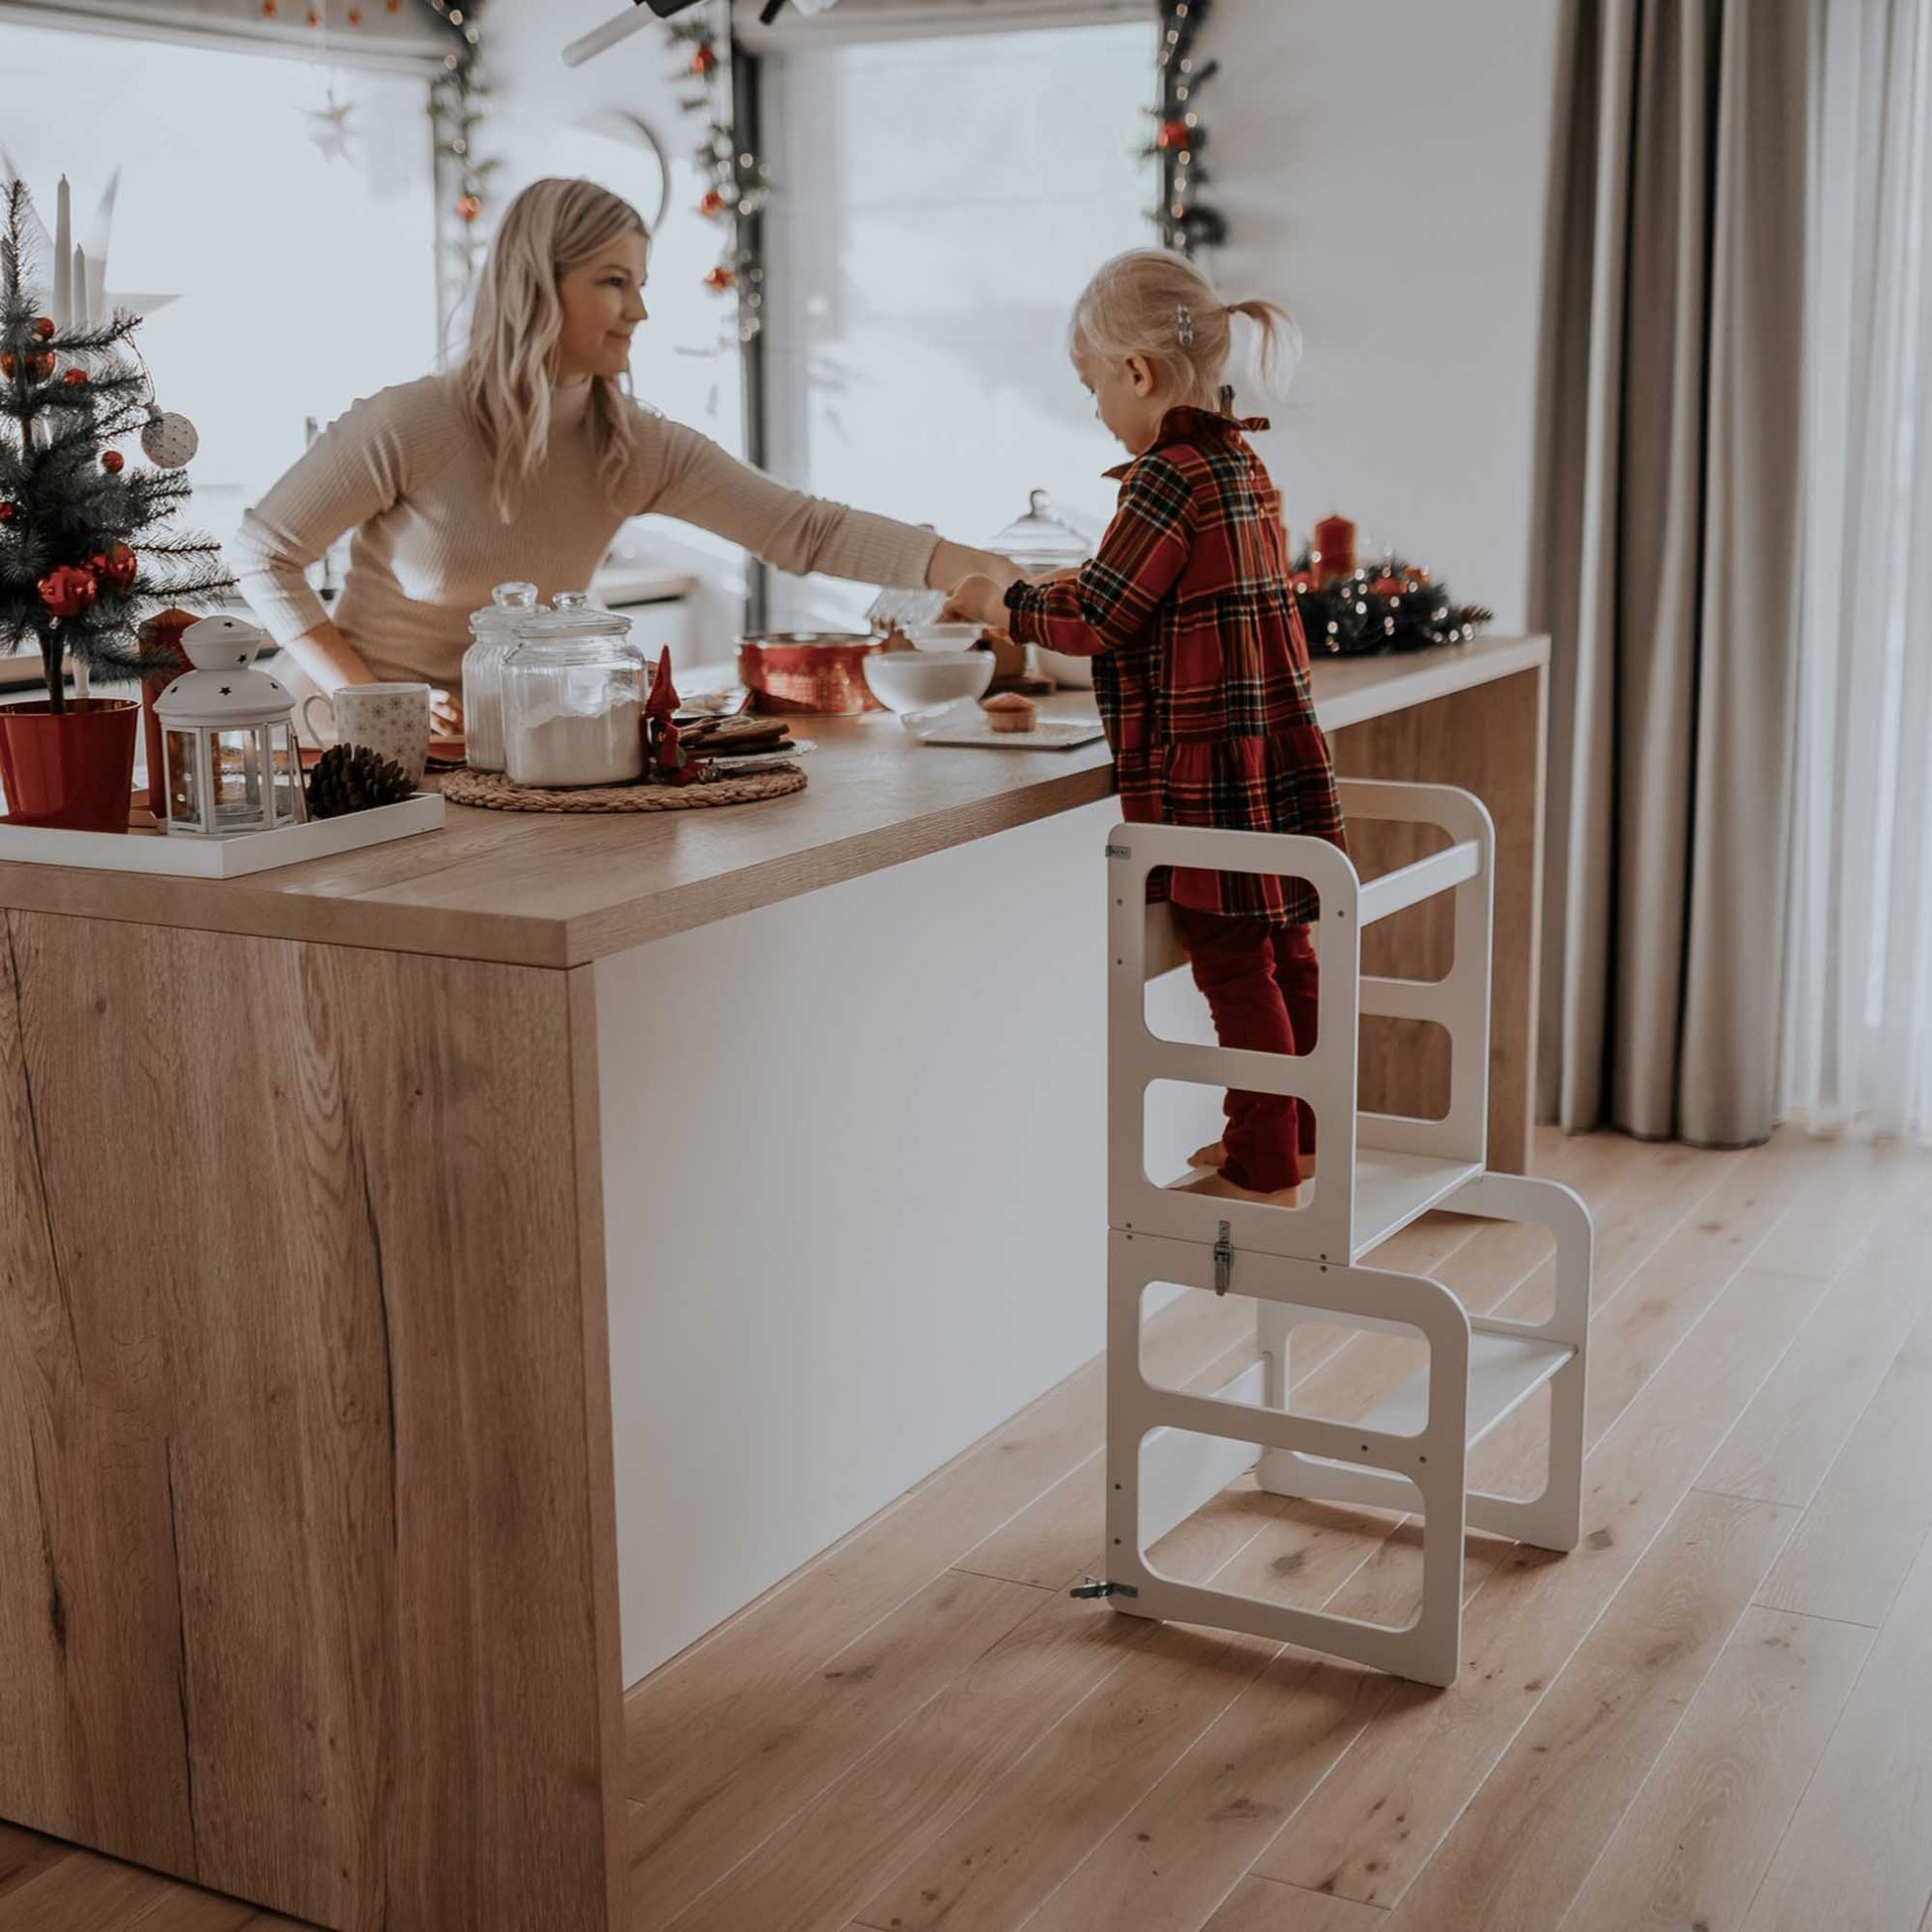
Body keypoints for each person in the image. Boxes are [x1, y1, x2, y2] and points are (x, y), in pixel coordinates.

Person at [233, 178, 1017, 733]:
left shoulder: (630, 444)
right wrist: (370, 701)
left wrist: (993, 576)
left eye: (639, 283)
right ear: (539, 285)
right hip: (358, 746)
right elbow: (263, 552)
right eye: (614, 282)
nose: (638, 310)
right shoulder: (410, 421)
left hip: (515, 749)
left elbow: (806, 531)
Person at [942, 249, 1344, 1205]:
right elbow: (1154, 595)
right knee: (1286, 947)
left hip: (1211, 775)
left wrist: (1000, 603)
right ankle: (1305, 1131)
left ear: (1137, 372)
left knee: (1232, 963)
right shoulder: (1241, 460)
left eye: (1091, 387)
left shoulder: (1164, 477)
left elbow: (1100, 616)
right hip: (1269, 754)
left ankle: (1262, 1162)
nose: (1093, 411)